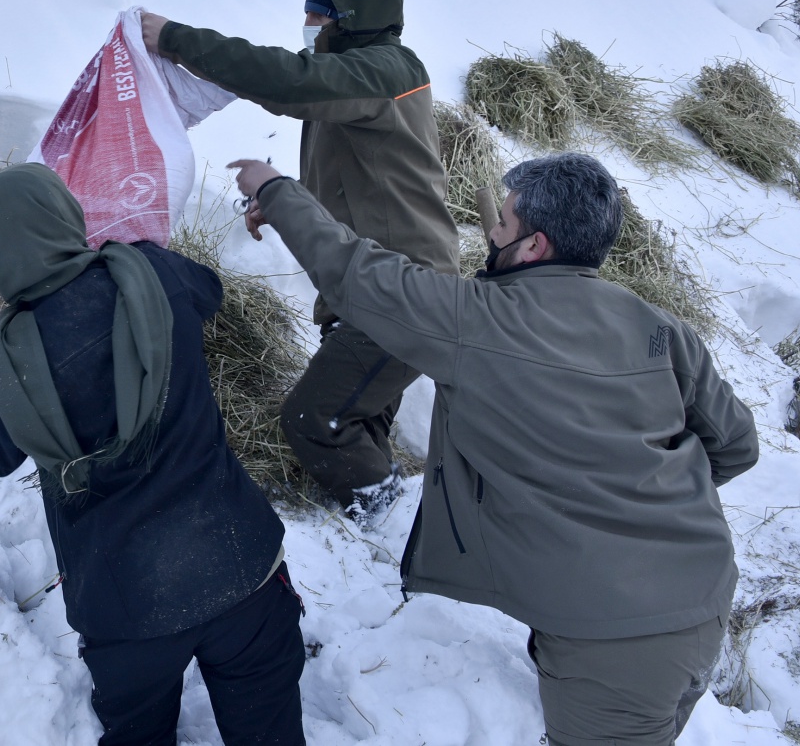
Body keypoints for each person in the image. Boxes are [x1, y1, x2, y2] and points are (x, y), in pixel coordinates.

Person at [226, 152, 759, 746]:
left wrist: (273, 189)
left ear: (534, 246)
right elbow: (735, 445)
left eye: (501, 223)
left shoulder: (476, 320)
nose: (491, 232)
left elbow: (357, 273)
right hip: (705, 591)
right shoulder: (661, 328)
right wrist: (645, 490)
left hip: (614, 644)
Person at [0, 163, 305, 746]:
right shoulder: (150, 275)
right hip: (243, 569)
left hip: (127, 614)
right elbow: (211, 293)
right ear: (66, 217)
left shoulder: (8, 362)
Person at [140, 0, 459, 518]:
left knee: (317, 421)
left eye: (320, 9)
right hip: (377, 289)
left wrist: (176, 39)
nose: (310, 22)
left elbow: (285, 81)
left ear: (351, 13)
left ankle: (396, 527)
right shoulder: (357, 79)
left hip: (402, 295)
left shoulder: (385, 70)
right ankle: (389, 536)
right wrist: (286, 204)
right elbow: (357, 181)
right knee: (354, 421)